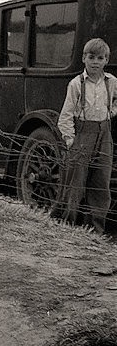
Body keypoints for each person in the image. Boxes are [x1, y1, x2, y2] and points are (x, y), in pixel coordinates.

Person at [56, 38, 115, 233]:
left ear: (106, 60)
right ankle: (68, 225)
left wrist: (111, 112)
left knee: (101, 181)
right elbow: (65, 115)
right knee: (75, 182)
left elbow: (114, 102)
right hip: (82, 134)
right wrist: (69, 138)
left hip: (104, 134)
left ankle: (95, 230)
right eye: (91, 57)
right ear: (83, 58)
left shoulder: (112, 82)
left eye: (100, 58)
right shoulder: (76, 84)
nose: (95, 62)